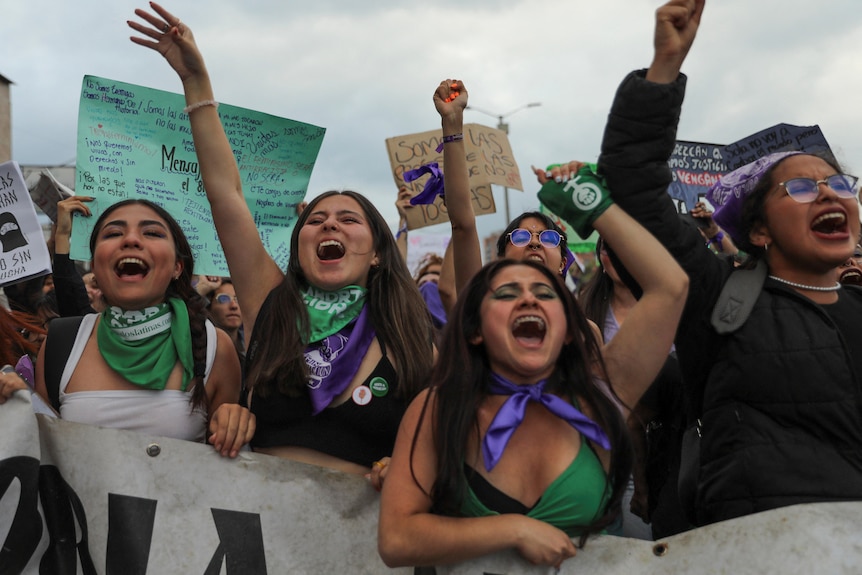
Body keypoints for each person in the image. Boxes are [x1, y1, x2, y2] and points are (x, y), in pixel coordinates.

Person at [128, 4, 435, 478]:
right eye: (316, 220)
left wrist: (409, 472)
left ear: (376, 253)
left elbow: (446, 451)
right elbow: (227, 195)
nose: (329, 225)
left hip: (362, 546)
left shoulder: (413, 340)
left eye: (348, 219)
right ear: (299, 246)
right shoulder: (273, 305)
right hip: (260, 541)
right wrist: (197, 85)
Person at [599, 0, 862, 527]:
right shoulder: (720, 299)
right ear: (758, 230)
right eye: (803, 187)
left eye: (838, 183)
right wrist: (662, 71)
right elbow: (631, 185)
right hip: (762, 550)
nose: (829, 195)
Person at [378, 133, 688, 567]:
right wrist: (514, 530)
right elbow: (396, 539)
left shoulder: (599, 401)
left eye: (544, 294)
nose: (528, 299)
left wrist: (594, 204)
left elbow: (671, 286)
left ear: (568, 330)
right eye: (506, 293)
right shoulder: (440, 409)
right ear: (475, 329)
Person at [31, 199, 252, 457]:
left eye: (152, 233)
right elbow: (42, 457)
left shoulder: (216, 347)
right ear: (95, 266)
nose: (131, 240)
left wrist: (236, 421)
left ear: (177, 268)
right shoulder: (61, 343)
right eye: (113, 234)